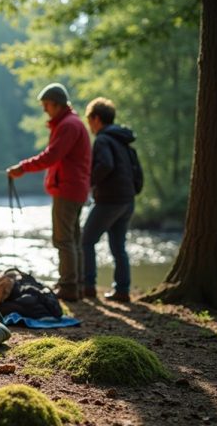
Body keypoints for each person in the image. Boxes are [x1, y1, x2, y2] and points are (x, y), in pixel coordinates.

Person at [7, 83, 91, 301]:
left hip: (68, 189)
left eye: (46, 104)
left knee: (63, 240)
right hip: (75, 188)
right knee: (72, 239)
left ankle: (69, 287)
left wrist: (22, 167)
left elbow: (51, 155)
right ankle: (77, 285)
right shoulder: (71, 123)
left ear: (57, 104)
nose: (44, 109)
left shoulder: (68, 125)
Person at [82, 97, 143, 303]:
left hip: (109, 200)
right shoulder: (122, 139)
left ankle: (88, 286)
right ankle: (122, 290)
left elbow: (106, 165)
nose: (89, 125)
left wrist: (90, 182)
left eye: (89, 120)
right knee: (118, 246)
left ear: (96, 118)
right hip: (128, 199)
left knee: (86, 241)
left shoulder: (103, 139)